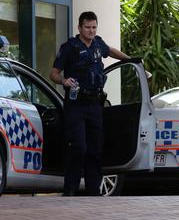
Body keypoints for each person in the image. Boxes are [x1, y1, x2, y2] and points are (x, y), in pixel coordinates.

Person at [49, 11, 130, 196]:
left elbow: (110, 51)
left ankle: (94, 192)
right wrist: (64, 81)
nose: (91, 31)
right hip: (76, 104)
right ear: (79, 28)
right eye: (88, 27)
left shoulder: (98, 44)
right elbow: (53, 74)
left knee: (95, 149)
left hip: (95, 104)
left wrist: (132, 60)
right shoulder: (69, 47)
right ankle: (70, 190)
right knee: (78, 146)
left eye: (94, 27)